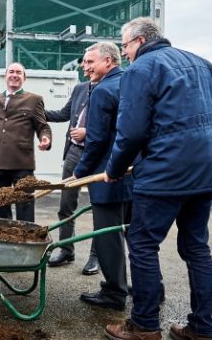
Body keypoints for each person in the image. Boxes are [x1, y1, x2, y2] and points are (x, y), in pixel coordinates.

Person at [102, 18, 212, 340]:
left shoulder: (141, 69)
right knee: (196, 248)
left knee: (142, 245)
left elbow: (131, 132)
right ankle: (201, 328)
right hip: (207, 171)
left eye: (125, 46)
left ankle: (143, 325)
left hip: (166, 172)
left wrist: (114, 170)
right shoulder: (200, 62)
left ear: (139, 41)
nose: (125, 52)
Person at [70, 42, 132, 311]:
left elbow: (95, 140)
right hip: (134, 174)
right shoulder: (130, 83)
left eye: (90, 62)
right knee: (136, 238)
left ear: (109, 61)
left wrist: (80, 172)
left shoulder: (104, 90)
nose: (85, 68)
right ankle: (149, 289)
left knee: (108, 237)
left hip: (108, 176)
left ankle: (114, 293)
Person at [45, 59, 99, 274]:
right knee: (66, 205)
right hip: (75, 153)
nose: (85, 66)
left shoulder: (115, 87)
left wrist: (89, 132)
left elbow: (117, 123)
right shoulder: (80, 89)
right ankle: (66, 249)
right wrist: (34, 110)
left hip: (99, 155)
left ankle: (97, 256)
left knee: (99, 208)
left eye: (90, 62)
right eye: (84, 62)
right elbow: (62, 114)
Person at [0, 62, 52, 222]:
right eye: (11, 72)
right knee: (1, 207)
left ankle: (26, 241)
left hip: (22, 164)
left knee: (25, 206)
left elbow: (42, 126)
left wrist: (45, 138)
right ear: (5, 77)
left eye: (19, 72)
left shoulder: (34, 100)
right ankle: (6, 241)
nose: (14, 75)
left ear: (24, 78)